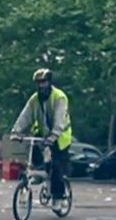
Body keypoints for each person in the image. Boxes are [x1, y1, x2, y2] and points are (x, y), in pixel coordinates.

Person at [9, 68, 73, 211]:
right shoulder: (34, 99)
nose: (41, 85)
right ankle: (38, 179)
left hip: (61, 137)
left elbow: (60, 118)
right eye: (38, 82)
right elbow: (25, 116)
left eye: (43, 82)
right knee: (35, 160)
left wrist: (54, 135)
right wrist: (16, 132)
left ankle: (58, 196)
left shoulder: (59, 97)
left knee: (56, 166)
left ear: (49, 82)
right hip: (44, 136)